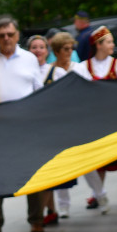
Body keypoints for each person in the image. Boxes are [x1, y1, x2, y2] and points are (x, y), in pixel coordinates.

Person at [0, 16, 46, 232]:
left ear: (17, 35)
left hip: (25, 126)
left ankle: (36, 219)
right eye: (1, 35)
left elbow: (39, 91)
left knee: (31, 172)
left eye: (10, 34)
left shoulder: (29, 59)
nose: (6, 39)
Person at [72, 25, 117, 206]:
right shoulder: (83, 67)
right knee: (99, 158)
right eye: (109, 41)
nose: (113, 45)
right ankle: (97, 193)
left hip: (116, 117)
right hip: (96, 120)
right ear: (99, 44)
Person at [43, 32, 80, 220]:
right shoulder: (50, 71)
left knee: (86, 161)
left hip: (78, 120)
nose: (69, 52)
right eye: (66, 49)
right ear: (57, 51)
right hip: (58, 124)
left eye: (71, 48)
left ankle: (101, 194)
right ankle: (63, 205)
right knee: (60, 163)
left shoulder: (78, 68)